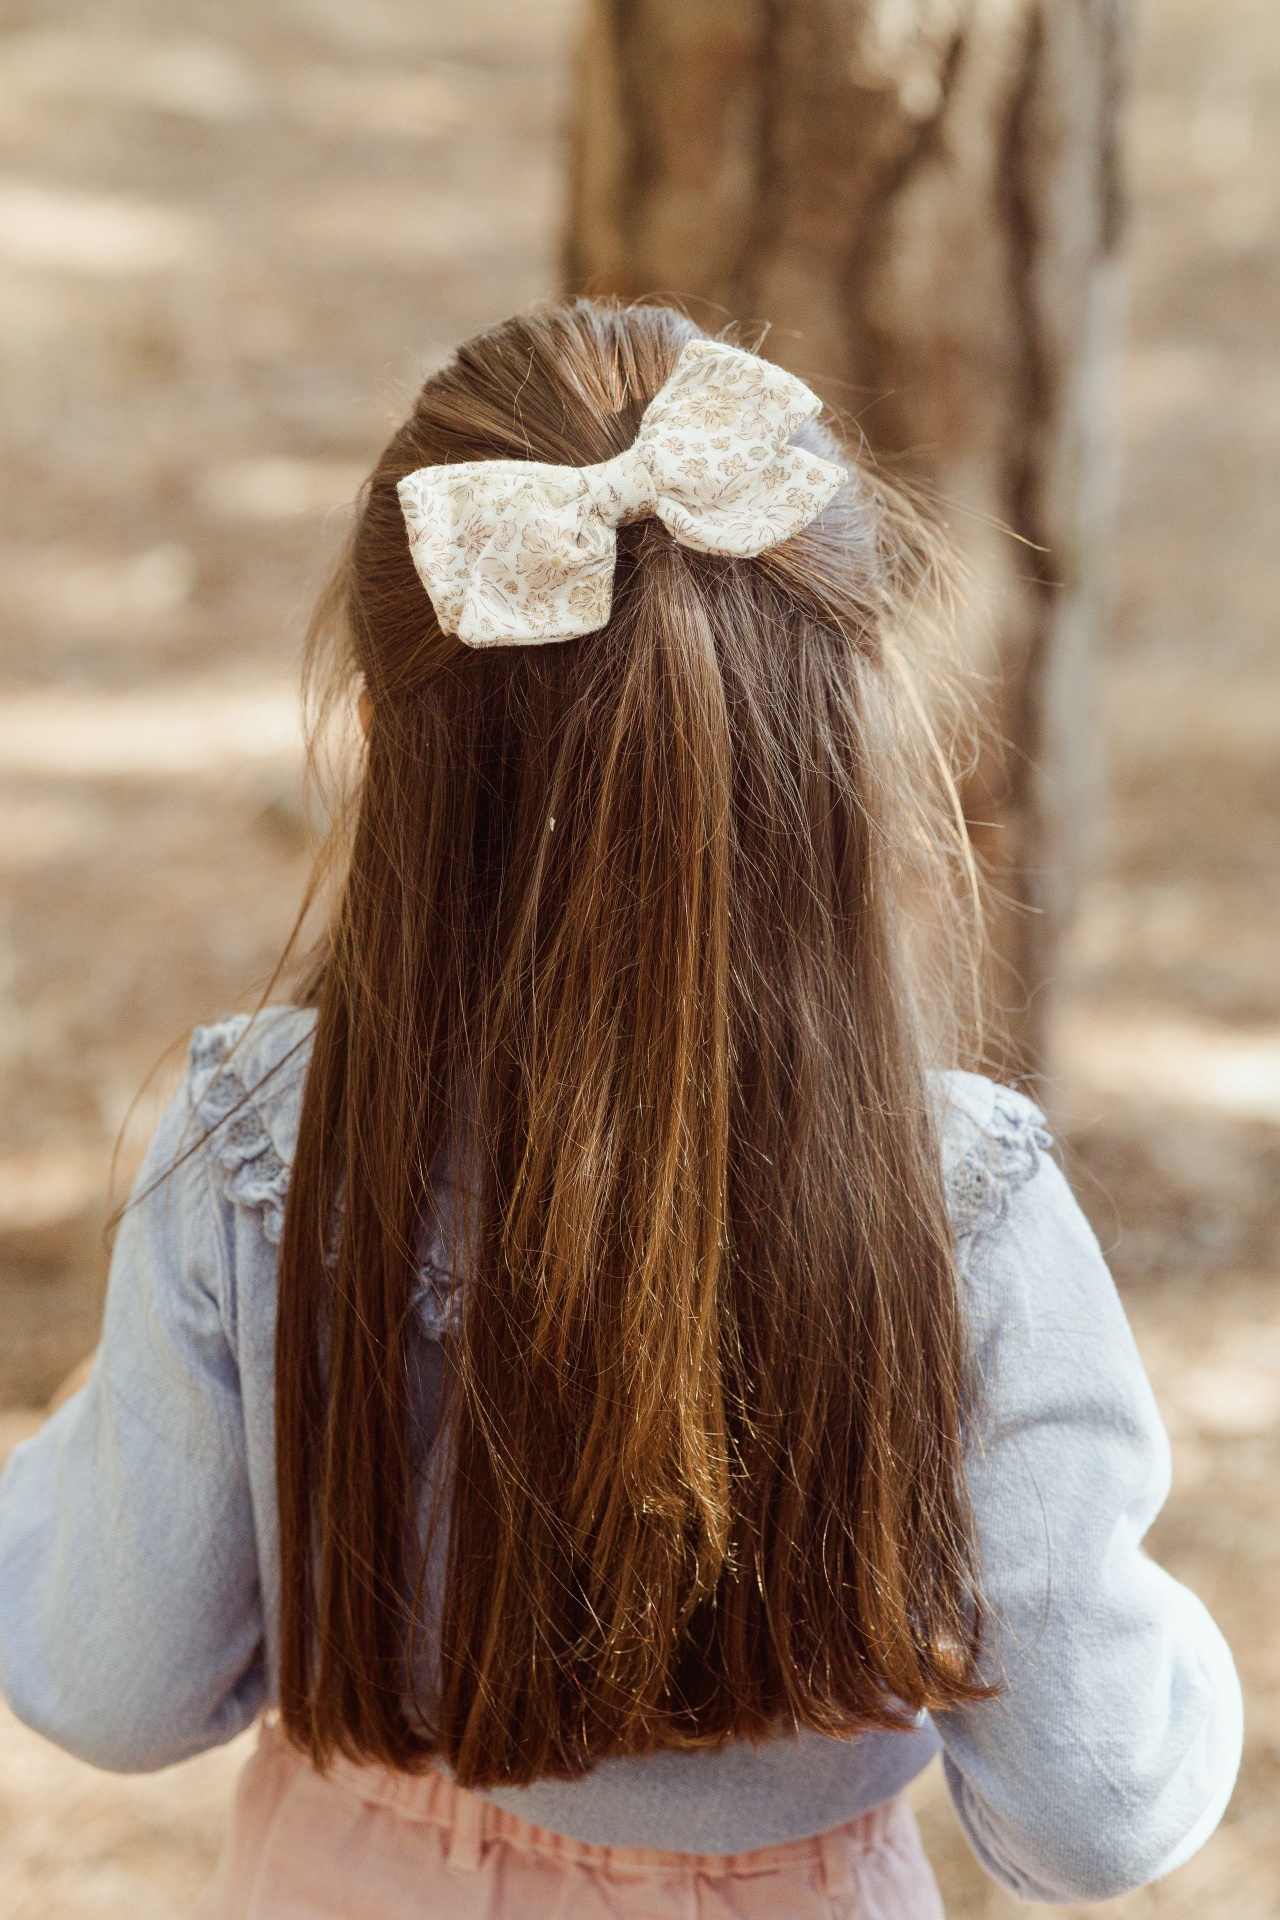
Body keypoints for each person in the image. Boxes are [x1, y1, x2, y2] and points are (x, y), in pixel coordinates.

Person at [0, 303, 1241, 1918]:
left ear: (381, 740)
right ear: (845, 749)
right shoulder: (961, 1209)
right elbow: (1096, 1808)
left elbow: (111, 1682)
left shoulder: (258, 1147)